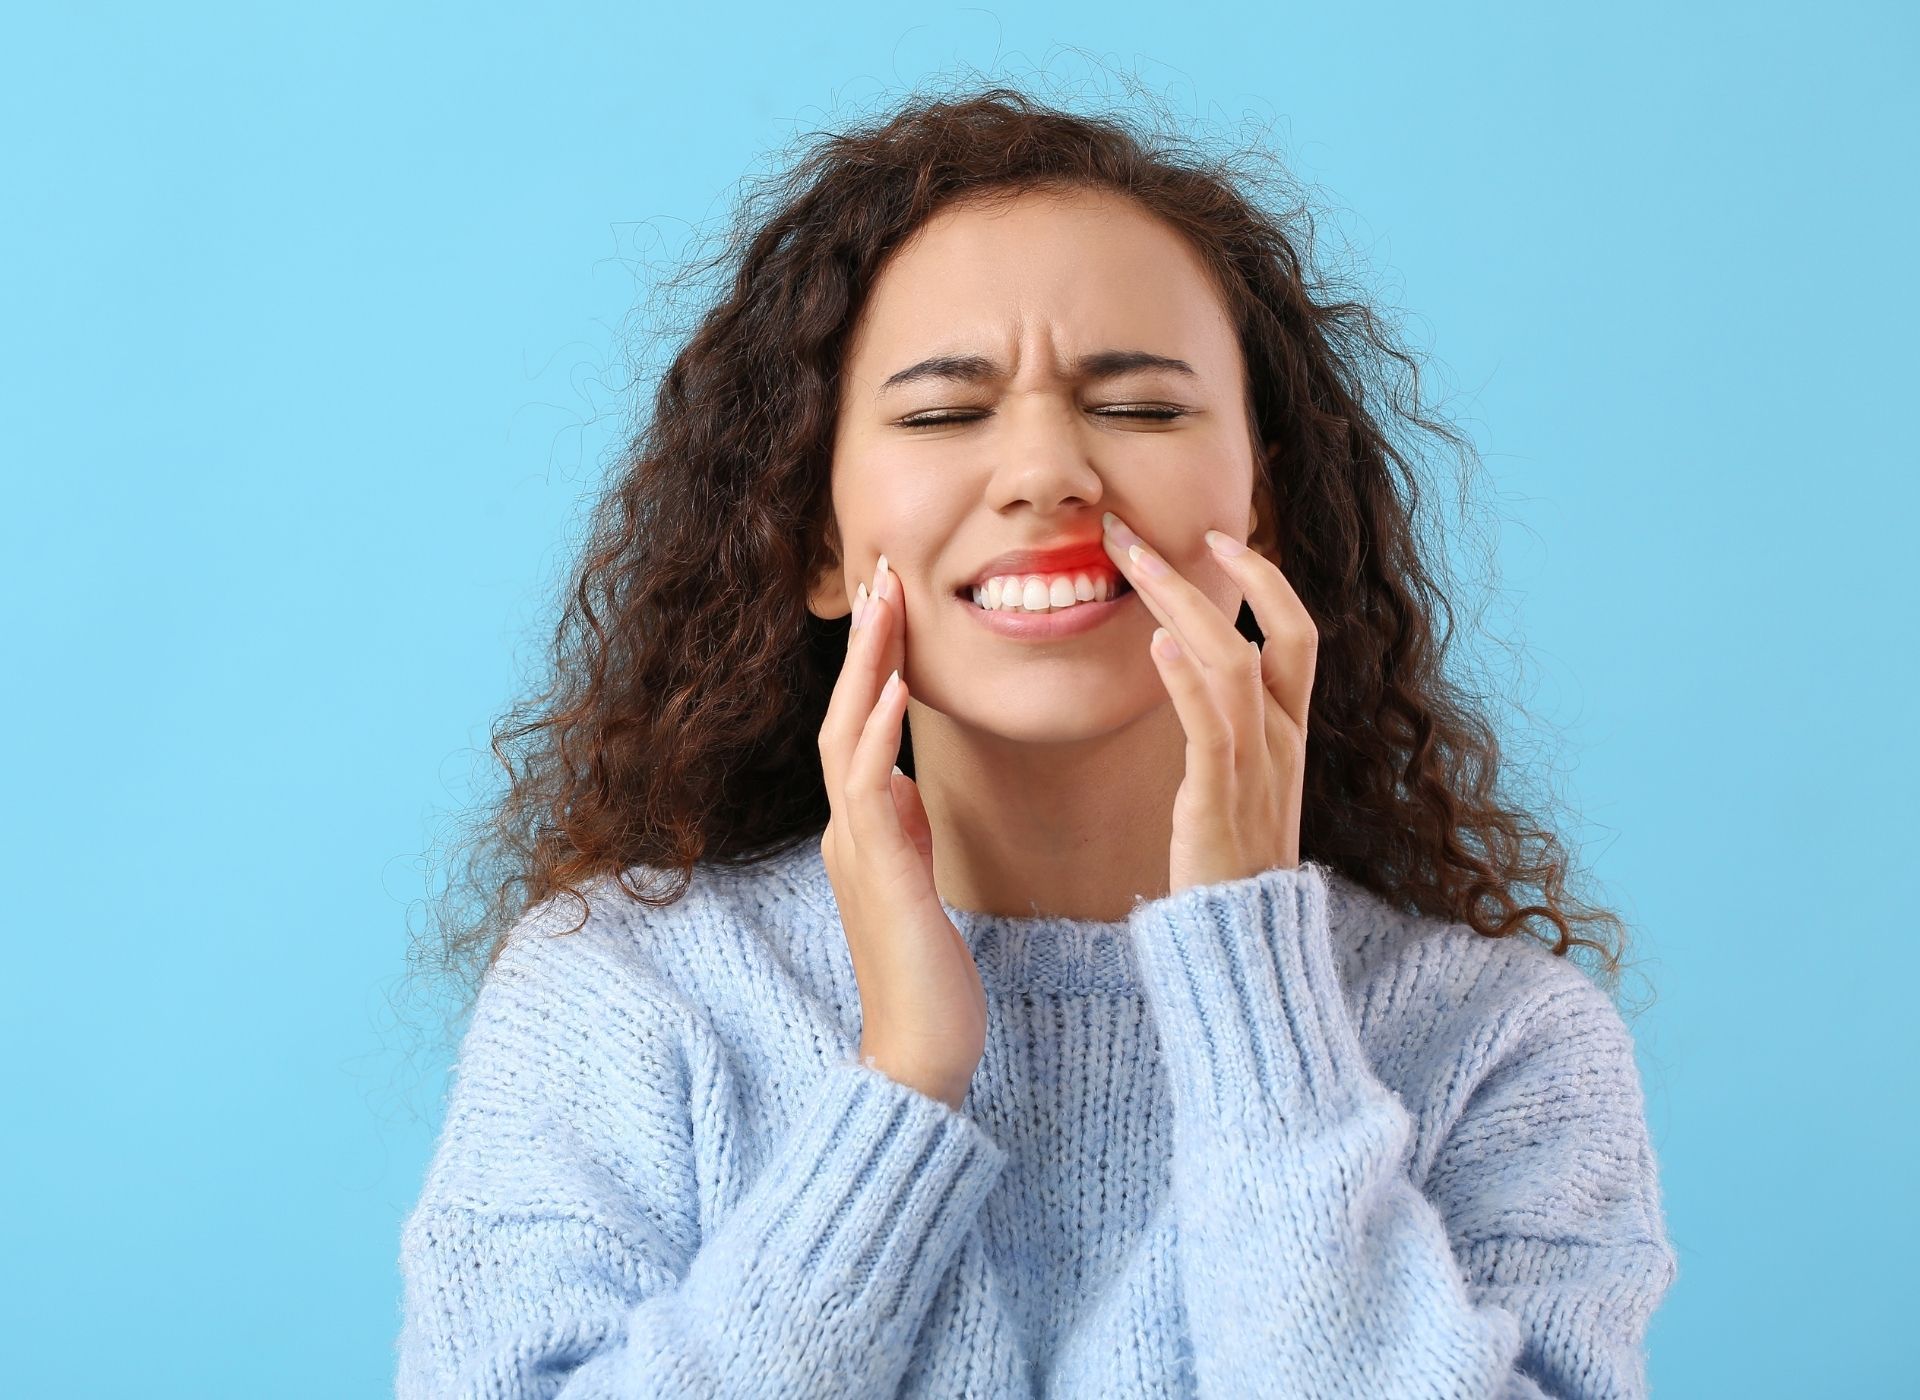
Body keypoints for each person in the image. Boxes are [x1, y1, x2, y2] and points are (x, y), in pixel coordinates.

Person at [395, 83, 1678, 1398]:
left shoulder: (1502, 1045)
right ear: (814, 538)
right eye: (946, 413)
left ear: (1264, 508)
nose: (1048, 472)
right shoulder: (619, 999)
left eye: (1141, 407)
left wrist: (1257, 993)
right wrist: (899, 1085)